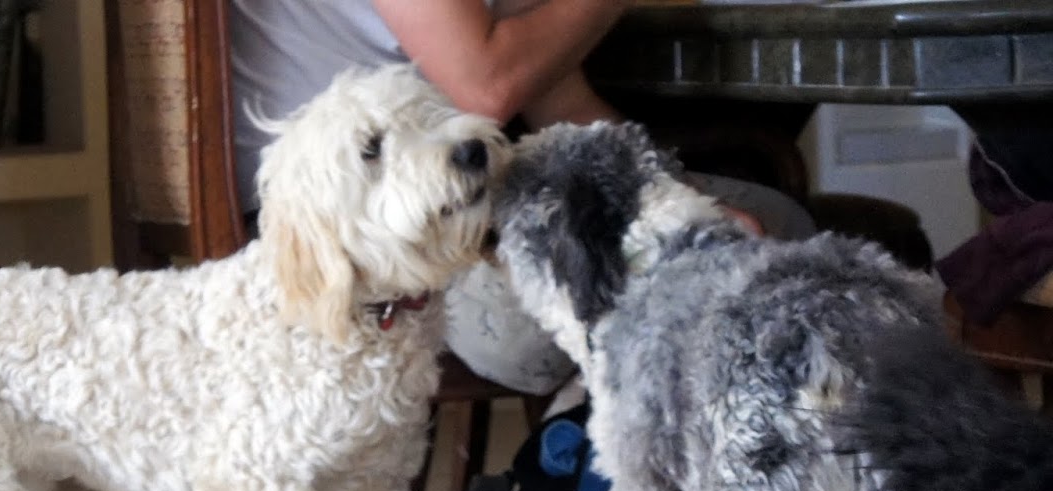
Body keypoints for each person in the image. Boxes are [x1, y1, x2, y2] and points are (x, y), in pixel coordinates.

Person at [231, 0, 815, 392]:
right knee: (752, 250)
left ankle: (581, 478)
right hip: (346, 252)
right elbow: (488, 86)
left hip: (442, 201)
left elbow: (560, 105)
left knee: (758, 229)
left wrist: (669, 197)